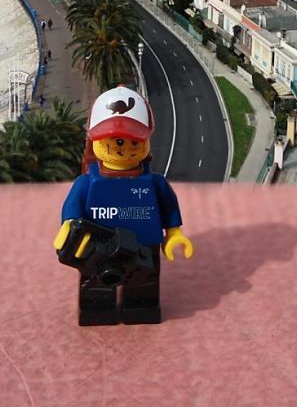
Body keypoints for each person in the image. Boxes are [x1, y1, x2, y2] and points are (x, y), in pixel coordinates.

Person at [53, 86, 193, 326]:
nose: (122, 147)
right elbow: (73, 207)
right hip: (96, 246)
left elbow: (168, 207)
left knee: (143, 287)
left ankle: (141, 309)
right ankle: (97, 311)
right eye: (115, 140)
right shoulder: (86, 183)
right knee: (95, 286)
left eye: (133, 141)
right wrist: (69, 226)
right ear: (95, 141)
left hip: (144, 246)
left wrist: (173, 234)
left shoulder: (154, 183)